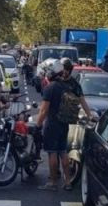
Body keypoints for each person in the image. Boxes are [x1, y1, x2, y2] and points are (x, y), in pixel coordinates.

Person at [36, 58, 94, 192]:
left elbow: (44, 110)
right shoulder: (68, 86)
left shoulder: (50, 88)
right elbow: (82, 100)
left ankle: (52, 182)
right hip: (64, 123)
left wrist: (38, 124)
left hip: (52, 123)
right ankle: (67, 181)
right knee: (63, 152)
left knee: (52, 152)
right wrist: (90, 115)